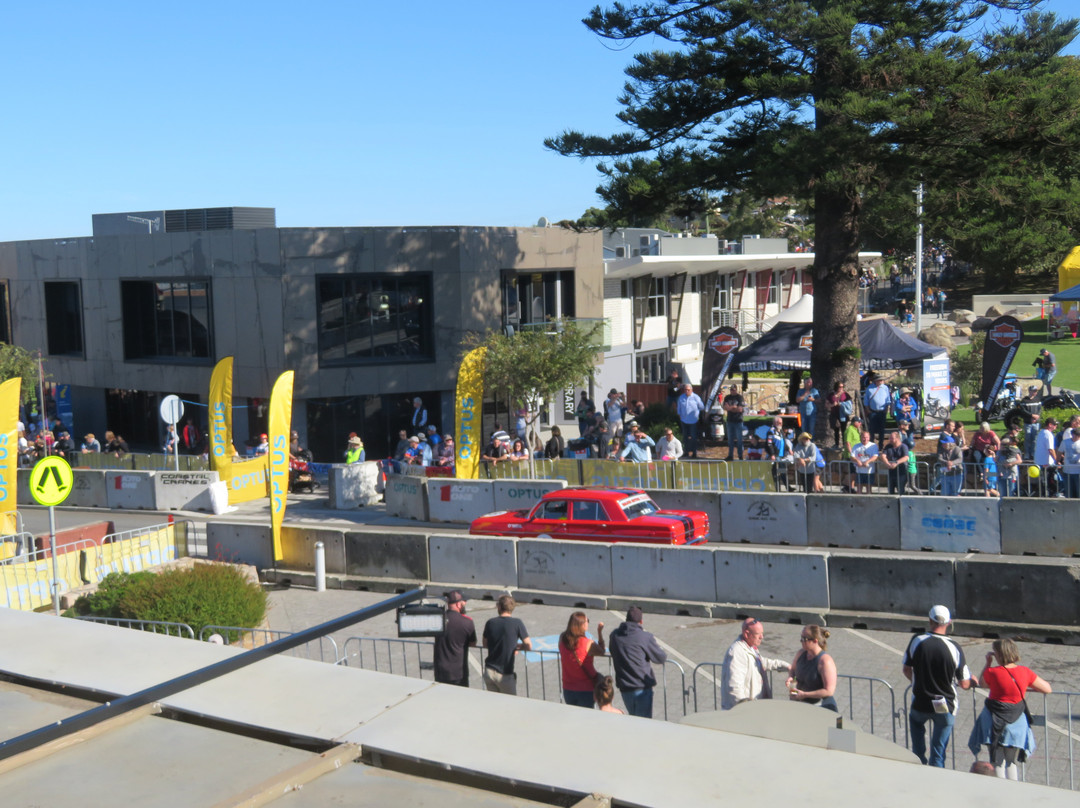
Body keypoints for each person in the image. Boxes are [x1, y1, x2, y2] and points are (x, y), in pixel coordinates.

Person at [968, 637, 1052, 780]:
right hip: (1015, 721)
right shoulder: (1025, 672)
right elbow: (1047, 689)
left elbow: (983, 684)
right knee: (1011, 761)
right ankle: (1014, 790)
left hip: (993, 720)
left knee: (997, 761)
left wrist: (988, 663)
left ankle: (1000, 790)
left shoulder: (992, 672)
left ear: (999, 654)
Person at [902, 605, 975, 767]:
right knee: (939, 752)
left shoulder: (917, 640)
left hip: (921, 701)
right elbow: (964, 683)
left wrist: (916, 682)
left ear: (930, 620)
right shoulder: (954, 647)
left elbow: (906, 669)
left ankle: (918, 769)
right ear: (949, 623)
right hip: (945, 704)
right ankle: (936, 779)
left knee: (917, 750)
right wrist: (973, 681)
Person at [608, 605, 667, 719]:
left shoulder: (614, 635)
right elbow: (661, 657)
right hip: (642, 688)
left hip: (625, 686)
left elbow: (612, 650)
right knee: (644, 723)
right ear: (641, 621)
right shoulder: (645, 636)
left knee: (633, 719)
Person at [720, 617, 790, 710]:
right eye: (758, 634)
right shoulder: (737, 653)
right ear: (746, 634)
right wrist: (746, 709)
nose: (762, 637)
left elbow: (761, 662)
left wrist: (786, 666)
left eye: (762, 633)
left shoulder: (750, 646)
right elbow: (735, 687)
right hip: (745, 713)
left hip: (756, 707)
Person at [482, 595, 531, 695]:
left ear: (499, 607)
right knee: (510, 704)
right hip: (505, 674)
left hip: (489, 670)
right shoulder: (517, 623)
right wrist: (517, 646)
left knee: (494, 703)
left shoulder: (490, 622)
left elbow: (485, 644)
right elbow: (528, 645)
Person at [785, 624, 838, 712]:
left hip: (817, 707)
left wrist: (805, 695)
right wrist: (791, 682)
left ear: (815, 641)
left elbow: (829, 691)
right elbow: (793, 670)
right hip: (798, 703)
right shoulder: (801, 653)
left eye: (804, 639)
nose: (801, 641)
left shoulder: (825, 661)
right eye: (801, 638)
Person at [559, 611, 605, 708]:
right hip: (585, 689)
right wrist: (600, 633)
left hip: (568, 688)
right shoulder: (588, 643)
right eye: (587, 621)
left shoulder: (562, 639)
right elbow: (602, 651)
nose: (588, 622)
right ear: (582, 625)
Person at [433, 590, 476, 687]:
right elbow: (473, 643)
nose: (465, 604)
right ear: (458, 604)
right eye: (464, 602)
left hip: (440, 670)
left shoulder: (438, 619)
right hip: (458, 672)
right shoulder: (467, 622)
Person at [678, 383, 707, 459]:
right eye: (685, 390)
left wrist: (696, 413)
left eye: (688, 390)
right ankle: (686, 452)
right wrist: (680, 416)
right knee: (685, 437)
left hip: (693, 421)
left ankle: (694, 453)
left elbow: (702, 407)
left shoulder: (696, 397)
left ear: (691, 390)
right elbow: (679, 408)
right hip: (684, 420)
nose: (687, 391)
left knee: (693, 437)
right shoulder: (681, 397)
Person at [1034, 416, 1059, 497]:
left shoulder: (1041, 432)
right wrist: (1057, 460)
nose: (1056, 427)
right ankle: (1051, 495)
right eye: (1055, 425)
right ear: (1050, 425)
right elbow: (1051, 450)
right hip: (1046, 463)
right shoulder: (1048, 434)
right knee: (1050, 481)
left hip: (1039, 461)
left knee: (1043, 482)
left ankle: (1043, 494)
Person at [863, 376, 891, 445]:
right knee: (872, 430)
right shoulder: (869, 388)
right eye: (879, 380)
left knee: (882, 430)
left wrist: (886, 409)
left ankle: (881, 445)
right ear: (875, 381)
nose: (881, 381)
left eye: (882, 380)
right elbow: (866, 400)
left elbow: (888, 400)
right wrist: (868, 410)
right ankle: (872, 444)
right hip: (873, 412)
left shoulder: (885, 388)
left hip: (882, 411)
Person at [721, 384, 745, 461]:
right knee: (730, 440)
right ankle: (730, 455)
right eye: (731, 389)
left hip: (738, 420)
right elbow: (724, 407)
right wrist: (733, 407)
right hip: (730, 420)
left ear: (736, 390)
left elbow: (740, 409)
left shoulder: (739, 397)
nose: (732, 391)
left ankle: (740, 455)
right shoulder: (727, 397)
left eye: (734, 390)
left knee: (739, 440)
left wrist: (730, 408)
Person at [881, 430, 909, 495]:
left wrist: (896, 463)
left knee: (900, 490)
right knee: (890, 491)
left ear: (898, 438)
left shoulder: (903, 446)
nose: (889, 439)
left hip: (901, 472)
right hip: (891, 472)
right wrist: (887, 463)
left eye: (892, 438)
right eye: (889, 438)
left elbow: (906, 457)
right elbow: (883, 456)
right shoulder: (888, 446)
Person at [851, 430, 879, 494]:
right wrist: (857, 461)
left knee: (869, 490)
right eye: (863, 437)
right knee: (859, 490)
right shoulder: (856, 446)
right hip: (859, 471)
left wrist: (868, 461)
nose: (865, 439)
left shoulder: (873, 445)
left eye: (867, 437)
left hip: (869, 471)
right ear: (861, 438)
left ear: (869, 438)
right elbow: (852, 457)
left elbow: (875, 456)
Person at [826, 381, 852, 448]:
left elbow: (849, 404)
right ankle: (836, 444)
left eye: (842, 387)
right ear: (836, 387)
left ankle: (844, 445)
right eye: (840, 387)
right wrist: (832, 405)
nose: (841, 388)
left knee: (844, 430)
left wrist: (841, 404)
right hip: (834, 414)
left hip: (843, 414)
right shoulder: (831, 395)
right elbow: (826, 405)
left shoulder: (846, 394)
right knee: (836, 430)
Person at [997, 433, 1023, 498]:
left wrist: (1011, 464)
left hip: (1012, 476)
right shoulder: (999, 452)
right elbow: (995, 460)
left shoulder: (1013, 452)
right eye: (1001, 444)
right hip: (1002, 475)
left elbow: (1019, 461)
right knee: (1003, 493)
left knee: (1011, 492)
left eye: (1004, 445)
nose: (1002, 446)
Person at [1060, 428, 1080, 499]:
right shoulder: (1065, 442)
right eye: (1076, 435)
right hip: (1067, 471)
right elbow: (1059, 452)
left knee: (1079, 492)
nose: (1077, 437)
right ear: (1072, 435)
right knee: (1068, 493)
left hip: (1078, 472)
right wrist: (1058, 461)